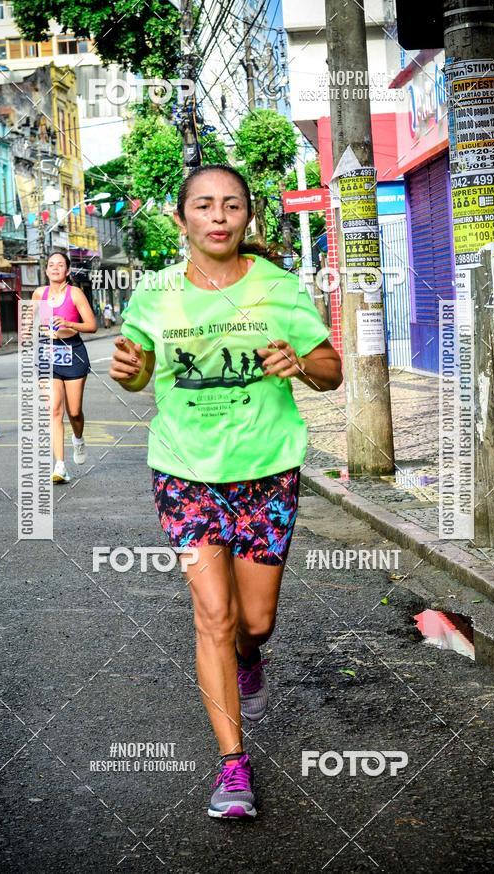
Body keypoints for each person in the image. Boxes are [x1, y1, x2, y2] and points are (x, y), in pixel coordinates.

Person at [109, 164, 342, 820]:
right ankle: (233, 765)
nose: (218, 216)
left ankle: (250, 655)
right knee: (212, 613)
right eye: (204, 205)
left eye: (232, 205)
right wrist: (128, 371)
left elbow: (331, 370)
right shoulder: (154, 293)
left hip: (267, 470)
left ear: (247, 217)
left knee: (254, 621)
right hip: (184, 473)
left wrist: (300, 363)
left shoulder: (278, 288)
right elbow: (139, 373)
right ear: (181, 219)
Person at [32, 251, 97, 484]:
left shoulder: (75, 293)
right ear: (46, 270)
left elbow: (92, 325)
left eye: (60, 265)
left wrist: (68, 323)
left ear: (67, 271)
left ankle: (78, 438)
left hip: (73, 353)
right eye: (51, 264)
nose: (55, 268)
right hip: (47, 354)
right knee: (54, 410)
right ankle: (60, 465)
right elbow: (29, 324)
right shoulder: (39, 293)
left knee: (74, 412)